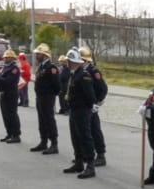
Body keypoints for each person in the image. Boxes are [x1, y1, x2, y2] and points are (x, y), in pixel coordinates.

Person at [62, 48, 97, 179]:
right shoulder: (73, 73)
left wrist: (89, 108)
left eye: (69, 61)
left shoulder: (84, 75)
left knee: (85, 137)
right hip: (74, 109)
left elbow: (90, 95)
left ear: (74, 62)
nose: (67, 63)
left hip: (82, 110)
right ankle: (78, 162)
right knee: (75, 137)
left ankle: (90, 165)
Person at [79, 46, 108, 167]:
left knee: (94, 129)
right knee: (85, 130)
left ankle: (101, 155)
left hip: (92, 105)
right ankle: (86, 154)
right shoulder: (80, 71)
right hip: (84, 105)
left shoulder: (94, 71)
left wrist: (97, 102)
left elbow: (103, 88)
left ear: (85, 61)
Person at [30, 43, 60, 154]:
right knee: (42, 120)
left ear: (45, 55)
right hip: (40, 97)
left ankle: (54, 143)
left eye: (38, 54)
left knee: (49, 120)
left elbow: (57, 85)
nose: (36, 56)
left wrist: (50, 95)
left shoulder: (51, 68)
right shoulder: (41, 66)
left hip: (47, 97)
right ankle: (43, 141)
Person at [0, 49, 21, 143]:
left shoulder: (14, 69)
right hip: (3, 93)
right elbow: (1, 80)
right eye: (4, 57)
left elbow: (8, 81)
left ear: (12, 58)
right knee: (5, 115)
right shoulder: (4, 68)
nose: (5, 59)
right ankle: (9, 133)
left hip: (11, 94)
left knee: (12, 114)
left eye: (7, 57)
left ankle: (16, 135)